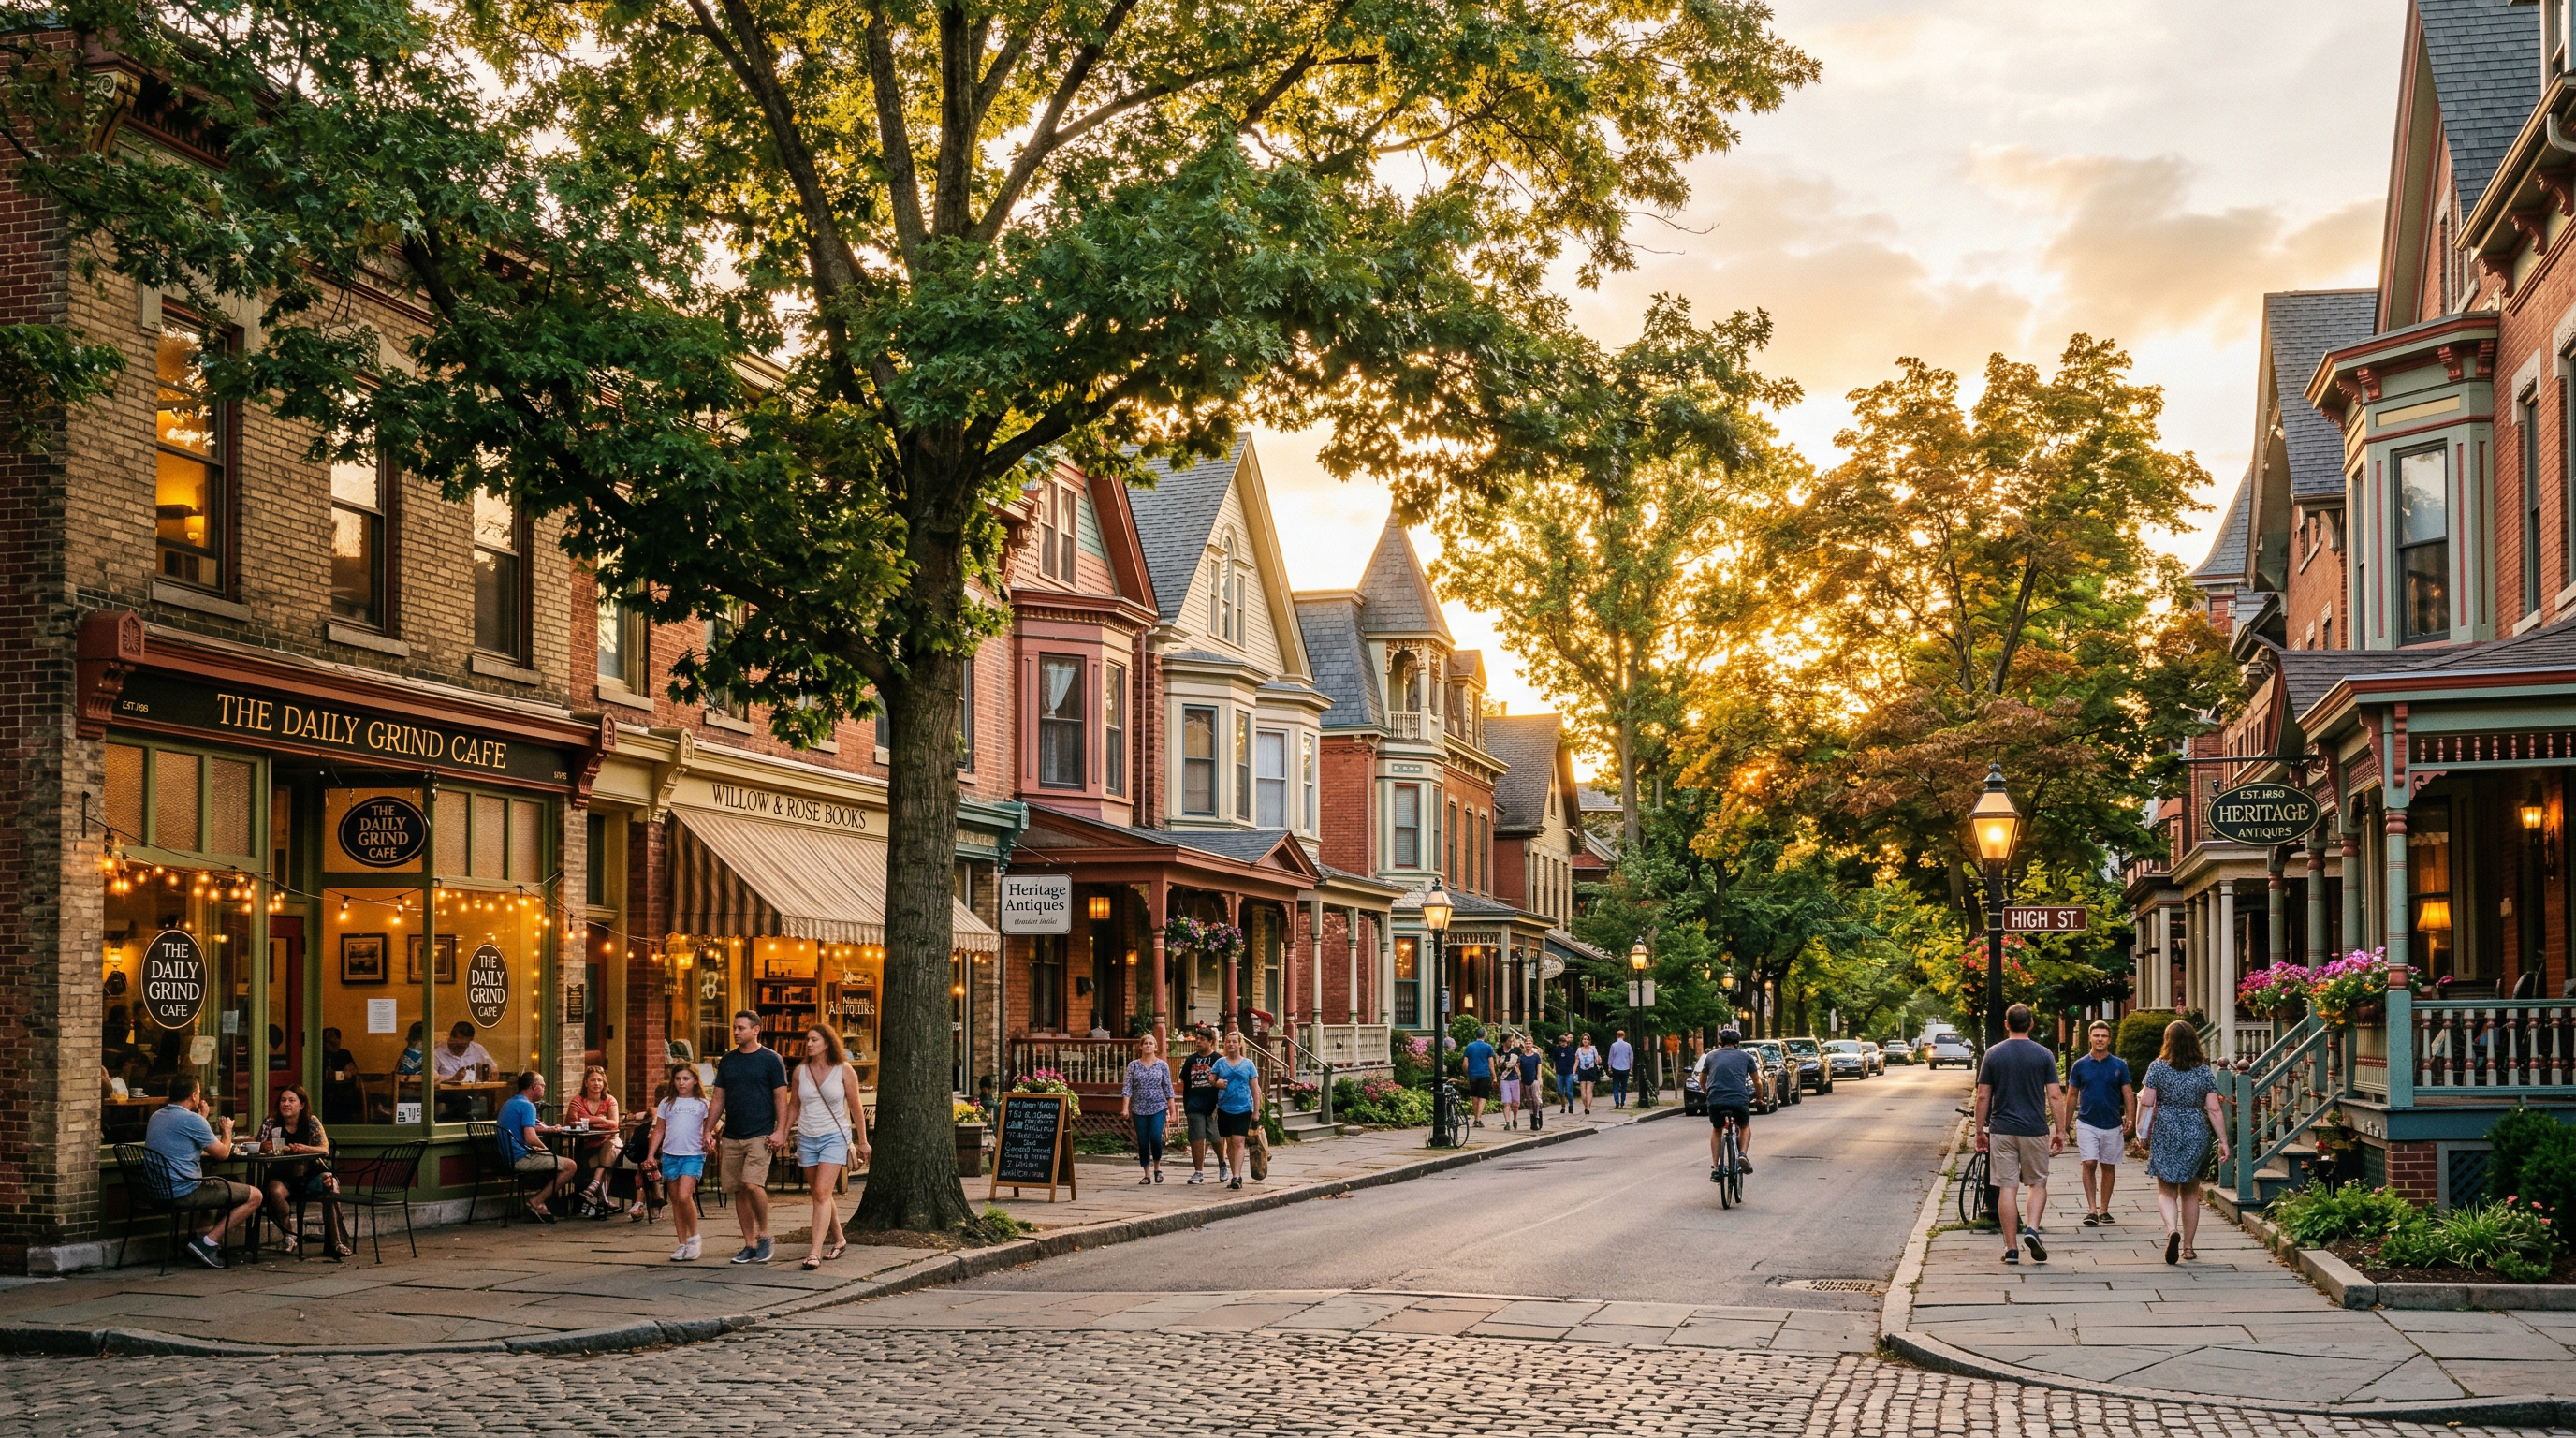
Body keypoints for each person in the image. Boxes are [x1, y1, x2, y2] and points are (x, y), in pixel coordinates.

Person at [1974, 1003, 2064, 1266]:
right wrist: (2060, 1130)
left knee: (2007, 1188)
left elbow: (1982, 1095)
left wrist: (1980, 1131)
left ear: (2006, 1024)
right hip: (2035, 1130)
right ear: (2032, 1024)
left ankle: (2011, 1248)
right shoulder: (2044, 1055)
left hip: (2002, 1130)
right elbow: (2055, 1095)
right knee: (2038, 1183)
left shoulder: (1993, 1054)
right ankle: (2033, 1229)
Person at [779, 1025, 871, 1271]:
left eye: (814, 1040)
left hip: (834, 1136)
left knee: (821, 1193)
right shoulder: (800, 1071)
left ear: (827, 1043)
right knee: (821, 1193)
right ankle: (839, 1239)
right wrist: (782, 1132)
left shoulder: (843, 1070)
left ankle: (814, 1252)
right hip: (807, 1137)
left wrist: (862, 1141)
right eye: (807, 1040)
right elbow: (793, 1107)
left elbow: (855, 1107)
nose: (809, 1044)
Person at [144, 1075, 261, 1269]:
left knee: (220, 1184)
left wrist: (201, 1119)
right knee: (256, 1195)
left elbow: (185, 1137)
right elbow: (223, 1153)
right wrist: (227, 1130)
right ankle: (208, 1243)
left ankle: (200, 1239)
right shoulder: (192, 1120)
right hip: (183, 1192)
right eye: (198, 1093)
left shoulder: (156, 1116)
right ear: (193, 1096)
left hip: (157, 1192)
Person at [2137, 1020, 2229, 1264]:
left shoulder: (2157, 1067)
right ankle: (2188, 1247)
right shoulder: (2203, 1071)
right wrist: (2224, 1141)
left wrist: (2140, 1131)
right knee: (2190, 1192)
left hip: (2166, 1128)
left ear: (2168, 1041)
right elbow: (2214, 1109)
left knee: (2166, 1190)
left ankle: (2171, 1230)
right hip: (2195, 1129)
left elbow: (2146, 1101)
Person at [707, 1010, 787, 1264]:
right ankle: (749, 1244)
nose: (735, 1032)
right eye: (734, 1028)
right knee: (738, 1189)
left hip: (760, 1133)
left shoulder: (771, 1060)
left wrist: (781, 1130)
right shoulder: (728, 1061)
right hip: (732, 1134)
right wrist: (708, 1130)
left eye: (741, 1028)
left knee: (753, 1184)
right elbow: (719, 1098)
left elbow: (780, 1098)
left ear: (756, 1030)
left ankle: (765, 1235)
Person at [254, 1084, 351, 1258]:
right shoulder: (271, 1122)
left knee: (331, 1184)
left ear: (302, 1105)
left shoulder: (311, 1122)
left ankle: (337, 1242)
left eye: (292, 1100)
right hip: (282, 1175)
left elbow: (324, 1149)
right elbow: (259, 1145)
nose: (286, 1104)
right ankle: (289, 1236)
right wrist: (266, 1146)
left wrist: (303, 1148)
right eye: (283, 1100)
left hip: (312, 1175)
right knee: (274, 1191)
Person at [2061, 1020, 2135, 1226]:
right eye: (2096, 1036)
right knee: (2089, 1162)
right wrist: (2064, 1125)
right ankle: (2092, 1210)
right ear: (2090, 1038)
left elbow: (2128, 1093)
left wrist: (2131, 1118)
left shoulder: (2119, 1065)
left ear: (2109, 1039)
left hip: (2112, 1123)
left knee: (2108, 1166)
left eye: (2103, 1036)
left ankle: (2104, 1210)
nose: (2100, 1039)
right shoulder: (2080, 1065)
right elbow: (2072, 1095)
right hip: (2087, 1122)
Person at [645, 1065, 712, 1261]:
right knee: (675, 1200)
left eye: (686, 1079)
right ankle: (682, 1243)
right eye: (677, 1079)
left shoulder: (702, 1103)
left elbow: (711, 1128)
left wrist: (710, 1141)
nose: (681, 1083)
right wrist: (651, 1154)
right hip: (670, 1154)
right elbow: (659, 1130)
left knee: (684, 1196)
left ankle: (694, 1238)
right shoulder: (667, 1103)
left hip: (693, 1154)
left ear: (694, 1081)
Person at [498, 1071, 577, 1222]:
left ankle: (544, 1206)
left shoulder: (510, 1103)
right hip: (520, 1159)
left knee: (553, 1164)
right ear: (534, 1086)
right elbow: (531, 1137)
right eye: (543, 1085)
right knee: (570, 1166)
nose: (544, 1089)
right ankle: (536, 1202)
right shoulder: (528, 1106)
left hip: (508, 1157)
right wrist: (546, 1150)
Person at [1696, 1028, 1767, 1180]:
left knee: (1717, 1129)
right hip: (1738, 1099)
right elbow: (1757, 1082)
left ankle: (1716, 1168)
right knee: (1744, 1126)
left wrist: (1709, 1094)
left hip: (1716, 1099)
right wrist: (1759, 1098)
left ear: (1720, 1042)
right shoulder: (1746, 1057)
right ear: (1738, 1043)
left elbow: (1702, 1080)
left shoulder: (1711, 1056)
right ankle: (1742, 1155)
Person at [563, 1064, 624, 1214]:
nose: (597, 1083)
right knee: (602, 1160)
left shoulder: (610, 1100)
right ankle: (603, 1200)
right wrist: (601, 1120)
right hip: (588, 1145)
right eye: (592, 1080)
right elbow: (571, 1121)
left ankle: (595, 1185)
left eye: (600, 1080)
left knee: (612, 1145)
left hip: (609, 1142)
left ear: (604, 1083)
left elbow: (615, 1123)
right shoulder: (578, 1100)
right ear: (586, 1083)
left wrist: (588, 1120)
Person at [1121, 1033, 1174, 1184]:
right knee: (1143, 1140)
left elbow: (1168, 1088)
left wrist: (1172, 1111)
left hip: (1158, 1106)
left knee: (1155, 1137)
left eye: (1151, 1043)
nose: (1148, 1045)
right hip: (1139, 1107)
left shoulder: (1162, 1065)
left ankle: (1158, 1168)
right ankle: (1147, 1173)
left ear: (1155, 1047)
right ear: (1141, 1046)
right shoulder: (1134, 1065)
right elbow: (1127, 1088)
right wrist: (1125, 1108)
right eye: (1145, 1043)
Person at [1212, 1031, 1263, 1191]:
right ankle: (1234, 1171)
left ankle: (1236, 1176)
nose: (1231, 1044)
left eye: (1234, 1041)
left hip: (1243, 1107)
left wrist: (1256, 1111)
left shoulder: (1248, 1064)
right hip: (1225, 1107)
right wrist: (1217, 1083)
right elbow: (1211, 1079)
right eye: (1228, 1042)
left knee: (1238, 1141)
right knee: (1228, 1141)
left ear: (1240, 1044)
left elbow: (1255, 1089)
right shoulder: (1220, 1063)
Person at [1178, 1026, 1225, 1184]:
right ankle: (1198, 1172)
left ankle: (1222, 1163)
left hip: (1214, 1106)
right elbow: (1185, 1081)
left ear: (1211, 1042)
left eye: (1202, 1039)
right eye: (1197, 1039)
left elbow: (1224, 1082)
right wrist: (1187, 1103)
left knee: (1216, 1137)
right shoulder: (1191, 1060)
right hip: (1194, 1104)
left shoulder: (1218, 1059)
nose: (1198, 1042)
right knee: (1196, 1137)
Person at [318, 1027, 364, 1126]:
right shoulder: (320, 1054)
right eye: (327, 1039)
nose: (331, 1042)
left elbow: (353, 1072)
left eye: (334, 1038)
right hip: (325, 1090)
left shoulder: (344, 1054)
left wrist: (346, 1074)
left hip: (343, 1091)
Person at [1461, 1031, 1496, 1128]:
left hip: (1473, 1075)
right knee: (1483, 1097)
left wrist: (1468, 1073)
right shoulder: (1488, 1047)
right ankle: (1478, 1119)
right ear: (1485, 1035)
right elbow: (1491, 1065)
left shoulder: (1469, 1046)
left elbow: (1464, 1063)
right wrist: (1494, 1077)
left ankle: (1476, 1118)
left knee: (1475, 1096)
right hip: (1484, 1074)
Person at [1517, 1038, 1545, 1132]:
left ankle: (1538, 1116)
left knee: (1536, 1099)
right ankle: (1533, 1120)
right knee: (1529, 1100)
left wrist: (1539, 1078)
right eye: (1526, 1043)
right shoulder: (1522, 1056)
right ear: (1524, 1044)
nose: (1528, 1044)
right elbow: (1518, 1067)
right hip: (1525, 1080)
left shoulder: (1536, 1056)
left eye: (1530, 1043)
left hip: (1534, 1080)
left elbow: (1539, 1067)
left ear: (1532, 1044)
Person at [1496, 1038, 1523, 1129]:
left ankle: (1515, 1118)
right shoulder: (1499, 1051)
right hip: (1504, 1078)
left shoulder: (1516, 1050)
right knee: (1506, 1102)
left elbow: (1518, 1063)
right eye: (1508, 1041)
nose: (1510, 1042)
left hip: (1514, 1078)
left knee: (1515, 1103)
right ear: (1503, 1042)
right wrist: (1503, 1062)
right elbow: (1498, 1063)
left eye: (1511, 1041)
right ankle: (1507, 1122)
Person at [1573, 1034, 1602, 1115]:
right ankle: (1585, 1106)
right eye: (1584, 1039)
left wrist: (1599, 1059)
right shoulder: (1579, 1050)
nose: (1585, 1040)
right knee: (1583, 1092)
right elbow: (1577, 1061)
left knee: (1589, 1090)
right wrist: (1574, 1071)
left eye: (1586, 1039)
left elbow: (1597, 1060)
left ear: (1589, 1041)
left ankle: (1588, 1107)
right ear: (1582, 1041)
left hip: (1591, 1070)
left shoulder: (1593, 1048)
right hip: (1582, 1070)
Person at [1607, 1029, 1635, 1108]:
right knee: (1624, 1086)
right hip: (1625, 1067)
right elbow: (1631, 1058)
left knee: (1615, 1085)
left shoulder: (1613, 1045)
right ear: (1624, 1036)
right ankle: (1622, 1103)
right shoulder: (1628, 1045)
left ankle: (1616, 1102)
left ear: (1617, 1036)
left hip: (1616, 1067)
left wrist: (1609, 1067)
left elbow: (1611, 1057)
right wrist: (1631, 1069)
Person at [1551, 1034, 1577, 1114]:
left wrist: (1573, 1071)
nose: (1563, 1044)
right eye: (1562, 1042)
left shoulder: (1570, 1049)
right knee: (1560, 1091)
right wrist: (1554, 1068)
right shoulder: (1557, 1049)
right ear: (1559, 1042)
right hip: (1559, 1072)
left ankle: (1571, 1105)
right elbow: (1555, 1060)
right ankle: (1563, 1106)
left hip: (1568, 1072)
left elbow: (1574, 1060)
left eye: (1564, 1042)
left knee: (1569, 1091)